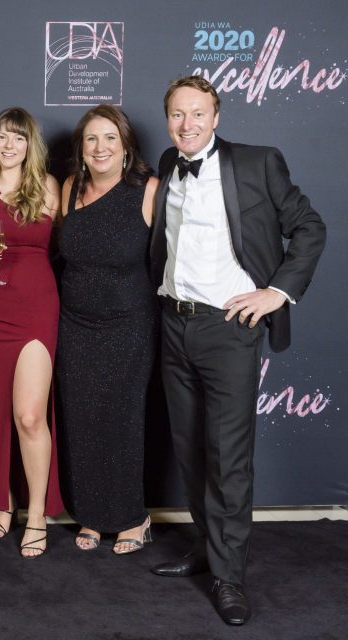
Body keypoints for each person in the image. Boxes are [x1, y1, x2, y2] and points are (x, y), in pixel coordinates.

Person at [148, 76, 325, 626]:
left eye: (198, 114)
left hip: (228, 329)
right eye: (177, 114)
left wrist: (277, 292)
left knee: (228, 456)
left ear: (217, 117)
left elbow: (309, 227)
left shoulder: (257, 162)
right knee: (190, 449)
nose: (187, 125)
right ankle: (207, 548)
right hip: (174, 323)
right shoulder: (167, 163)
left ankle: (229, 575)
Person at [55, 104, 160, 556]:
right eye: (92, 139)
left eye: (110, 138)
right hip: (74, 324)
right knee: (81, 419)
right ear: (81, 148)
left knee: (122, 421)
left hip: (128, 325)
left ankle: (133, 518)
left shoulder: (148, 190)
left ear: (125, 146)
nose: (100, 147)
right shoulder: (69, 188)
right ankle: (93, 515)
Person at [0, 107, 64, 557]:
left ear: (30, 145)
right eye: (2, 136)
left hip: (35, 308)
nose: (9, 145)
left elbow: (66, 245)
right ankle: (1, 504)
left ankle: (37, 513)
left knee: (29, 416)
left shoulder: (48, 186)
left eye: (18, 138)